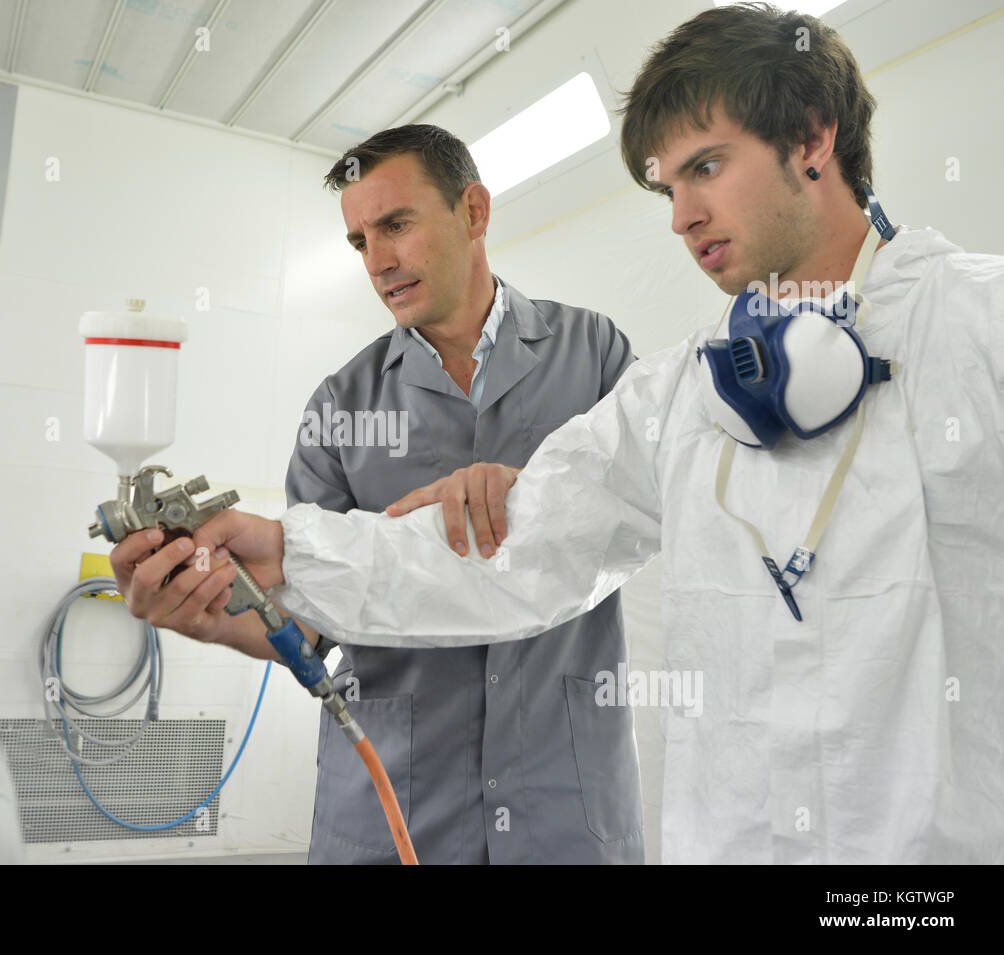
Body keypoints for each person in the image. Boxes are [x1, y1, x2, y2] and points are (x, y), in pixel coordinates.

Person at [189, 3, 1004, 863]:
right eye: (668, 187)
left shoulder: (980, 324)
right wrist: (288, 554)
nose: (682, 216)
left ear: (810, 139)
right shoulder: (684, 395)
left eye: (708, 166)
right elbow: (514, 551)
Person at [109, 125, 644, 863]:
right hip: (399, 800)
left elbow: (643, 507)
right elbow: (309, 624)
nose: (379, 261)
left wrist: (524, 493)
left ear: (474, 213)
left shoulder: (595, 354)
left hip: (565, 796)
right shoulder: (341, 406)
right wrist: (209, 617)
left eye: (396, 224)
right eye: (360, 241)